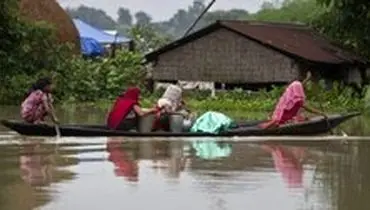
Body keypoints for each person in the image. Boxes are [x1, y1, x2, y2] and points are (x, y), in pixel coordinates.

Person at [259, 71, 327, 129]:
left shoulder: (296, 85)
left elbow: (302, 85)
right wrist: (320, 113)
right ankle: (269, 125)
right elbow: (305, 106)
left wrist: (307, 78)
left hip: (285, 110)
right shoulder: (296, 85)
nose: (306, 87)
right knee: (277, 122)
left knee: (294, 118)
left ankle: (274, 122)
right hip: (284, 112)